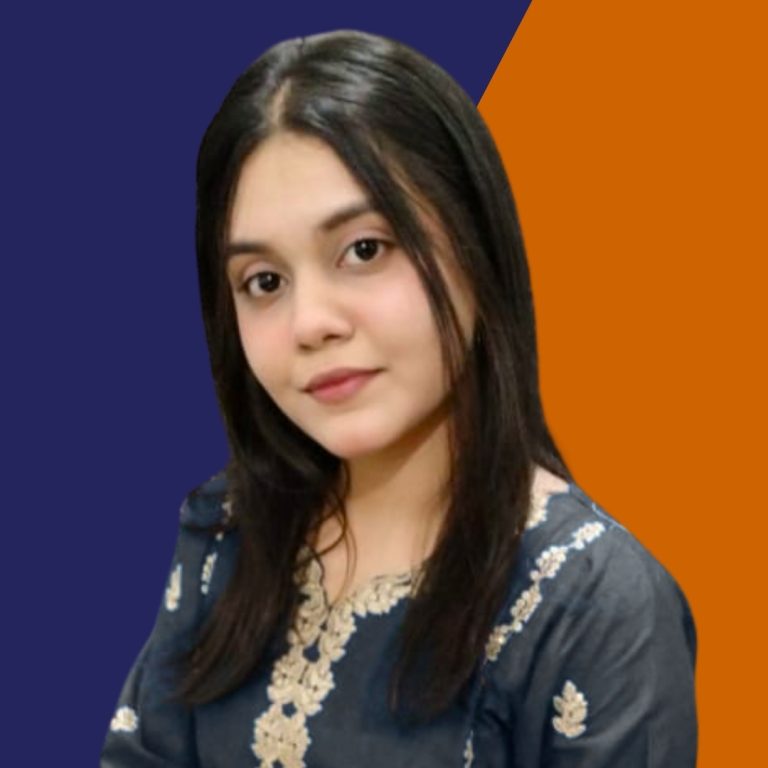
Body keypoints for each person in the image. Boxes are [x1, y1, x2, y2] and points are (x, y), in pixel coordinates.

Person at [100, 29, 697, 767]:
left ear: (474, 242)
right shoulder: (229, 532)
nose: (310, 323)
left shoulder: (592, 604)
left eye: (364, 249)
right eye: (264, 281)